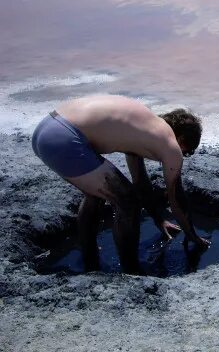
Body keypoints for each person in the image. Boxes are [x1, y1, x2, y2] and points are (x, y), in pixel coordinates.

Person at [31, 95, 209, 274]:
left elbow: (140, 181)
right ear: (182, 140)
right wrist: (192, 235)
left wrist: (159, 219)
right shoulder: (171, 145)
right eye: (186, 152)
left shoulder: (145, 128)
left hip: (46, 128)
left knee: (97, 195)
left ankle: (89, 256)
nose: (180, 155)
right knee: (127, 200)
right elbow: (176, 198)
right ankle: (131, 270)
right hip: (65, 140)